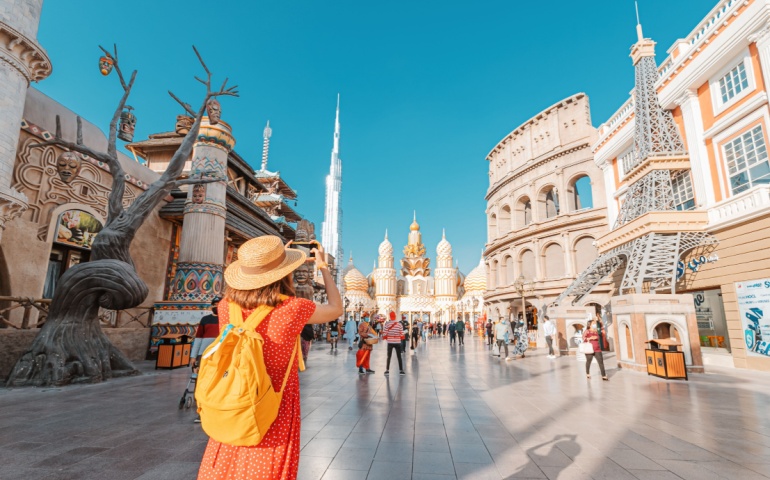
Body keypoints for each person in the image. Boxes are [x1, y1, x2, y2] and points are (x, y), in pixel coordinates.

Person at [197, 235, 343, 480]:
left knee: (230, 460)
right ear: (284, 273)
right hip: (275, 402)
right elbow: (336, 308)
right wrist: (323, 267)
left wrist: (276, 261)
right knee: (267, 467)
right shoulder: (293, 308)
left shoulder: (225, 306)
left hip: (234, 397)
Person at [189, 303, 220, 424]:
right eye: (214, 304)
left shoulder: (227, 318)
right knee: (201, 380)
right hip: (204, 354)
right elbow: (198, 338)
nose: (216, 306)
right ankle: (201, 410)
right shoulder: (205, 319)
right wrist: (193, 355)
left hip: (219, 354)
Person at [382, 312, 405, 376]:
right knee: (399, 356)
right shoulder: (399, 324)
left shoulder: (387, 324)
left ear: (390, 316)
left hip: (390, 342)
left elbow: (384, 333)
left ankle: (387, 370)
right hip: (397, 342)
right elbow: (402, 334)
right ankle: (401, 370)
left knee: (389, 357)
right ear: (395, 316)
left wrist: (388, 336)